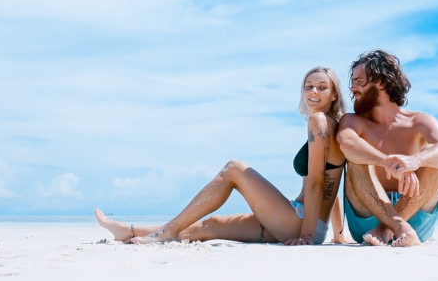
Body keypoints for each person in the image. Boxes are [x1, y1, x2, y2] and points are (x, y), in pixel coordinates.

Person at [95, 67, 348, 245]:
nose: (313, 91)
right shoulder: (332, 126)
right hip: (307, 222)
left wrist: (306, 236)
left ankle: (167, 231)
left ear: (334, 94)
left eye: (322, 87)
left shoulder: (318, 122)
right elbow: (332, 185)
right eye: (309, 86)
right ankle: (127, 231)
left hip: (301, 223)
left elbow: (316, 183)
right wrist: (334, 233)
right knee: (211, 226)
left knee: (234, 168)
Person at [337, 50, 438, 247]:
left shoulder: (420, 121)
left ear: (382, 83)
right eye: (352, 82)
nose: (352, 88)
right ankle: (397, 227)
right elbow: (347, 143)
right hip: (367, 216)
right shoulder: (352, 121)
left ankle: (387, 229)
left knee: (436, 160)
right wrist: (391, 163)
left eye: (359, 82)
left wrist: (416, 160)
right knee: (357, 159)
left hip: (414, 214)